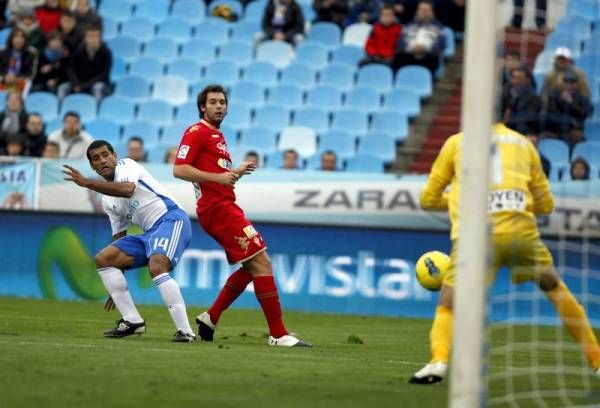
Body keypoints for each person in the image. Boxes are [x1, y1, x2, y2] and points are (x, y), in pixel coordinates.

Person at [409, 122, 600, 384]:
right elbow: (546, 205)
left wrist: (463, 201)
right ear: (506, 112)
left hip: (477, 234)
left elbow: (428, 199)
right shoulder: (524, 144)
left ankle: (438, 362)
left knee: (449, 301)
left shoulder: (457, 142)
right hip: (519, 228)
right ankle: (597, 361)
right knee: (553, 287)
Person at [173, 84, 311, 347]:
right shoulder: (196, 132)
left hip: (224, 205)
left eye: (222, 102)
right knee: (263, 263)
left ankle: (211, 317)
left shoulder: (217, 135)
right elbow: (179, 169)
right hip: (218, 210)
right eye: (213, 102)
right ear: (202, 107)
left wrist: (234, 172)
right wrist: (220, 177)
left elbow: (216, 176)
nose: (219, 106)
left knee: (251, 265)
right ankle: (278, 333)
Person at [62, 140, 196, 342]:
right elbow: (119, 236)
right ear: (92, 166)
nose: (102, 160)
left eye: (106, 155)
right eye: (96, 159)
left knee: (157, 265)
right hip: (150, 233)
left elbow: (127, 189)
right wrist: (115, 287)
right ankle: (132, 321)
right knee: (105, 259)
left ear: (115, 155)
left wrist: (87, 183)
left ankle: (185, 332)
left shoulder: (127, 165)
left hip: (171, 218)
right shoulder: (107, 200)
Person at [59, 24, 111, 101]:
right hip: (80, 82)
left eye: (96, 36)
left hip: (97, 83)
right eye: (90, 36)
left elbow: (103, 74)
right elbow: (70, 68)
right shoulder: (78, 51)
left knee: (97, 88)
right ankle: (62, 110)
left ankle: (96, 110)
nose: (93, 39)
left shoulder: (106, 53)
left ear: (100, 38)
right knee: (63, 87)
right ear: (85, 38)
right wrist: (75, 83)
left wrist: (84, 86)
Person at [393, 0, 446, 75]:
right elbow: (400, 43)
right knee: (398, 58)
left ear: (431, 12)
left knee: (434, 59)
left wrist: (425, 48)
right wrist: (412, 48)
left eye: (426, 10)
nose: (423, 12)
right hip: (409, 55)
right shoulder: (408, 25)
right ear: (417, 11)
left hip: (428, 56)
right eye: (421, 9)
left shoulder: (438, 27)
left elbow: (441, 45)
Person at [542, 70, 591, 147]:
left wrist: (571, 103)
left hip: (572, 131)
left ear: (577, 84)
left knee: (577, 136)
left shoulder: (583, 98)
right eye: (566, 82)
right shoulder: (553, 96)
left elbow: (585, 114)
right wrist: (571, 121)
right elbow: (551, 115)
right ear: (561, 83)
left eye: (572, 82)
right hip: (555, 130)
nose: (569, 85)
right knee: (544, 136)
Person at [500, 66, 541, 136]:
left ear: (528, 80)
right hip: (502, 131)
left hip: (523, 134)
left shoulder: (534, 98)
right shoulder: (505, 94)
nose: (517, 81)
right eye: (514, 77)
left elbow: (528, 119)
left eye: (520, 78)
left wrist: (507, 119)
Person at [0, 27, 38, 93]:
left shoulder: (32, 53)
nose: (19, 40)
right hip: (3, 79)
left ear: (25, 40)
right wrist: (5, 76)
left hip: (21, 81)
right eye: (16, 37)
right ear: (11, 39)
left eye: (22, 37)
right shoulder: (2, 51)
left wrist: (16, 78)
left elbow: (31, 74)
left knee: (27, 84)